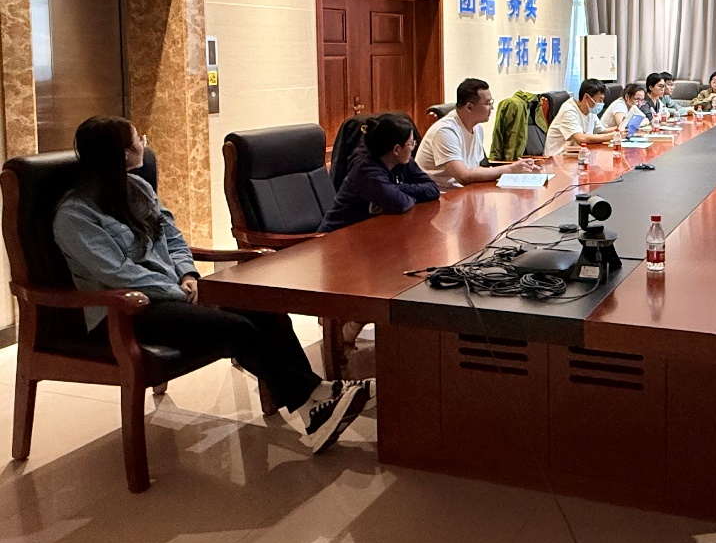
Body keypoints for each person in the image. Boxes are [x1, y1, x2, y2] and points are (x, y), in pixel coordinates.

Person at [52, 117, 373, 454]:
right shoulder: (74, 217)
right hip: (126, 312)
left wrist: (188, 275)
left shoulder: (138, 189)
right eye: (138, 139)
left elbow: (173, 237)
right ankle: (315, 400)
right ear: (122, 153)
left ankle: (316, 401)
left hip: (172, 293)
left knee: (264, 309)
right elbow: (119, 273)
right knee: (235, 328)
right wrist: (178, 292)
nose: (145, 143)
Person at [319, 113, 440, 232]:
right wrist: (406, 193)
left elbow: (433, 189)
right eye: (411, 143)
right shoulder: (366, 170)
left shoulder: (404, 162)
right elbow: (401, 203)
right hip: (336, 235)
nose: (413, 147)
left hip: (368, 231)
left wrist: (396, 188)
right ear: (397, 149)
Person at [417, 78, 538, 191]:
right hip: (441, 197)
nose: (492, 108)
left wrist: (517, 171)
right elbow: (463, 176)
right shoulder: (445, 131)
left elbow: (475, 169)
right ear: (469, 107)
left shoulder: (477, 128)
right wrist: (510, 169)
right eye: (488, 103)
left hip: (465, 192)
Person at [544, 78, 615, 155]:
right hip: (557, 158)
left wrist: (619, 131)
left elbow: (602, 131)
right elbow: (580, 138)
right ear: (586, 97)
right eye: (600, 100)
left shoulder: (590, 111)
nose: (602, 103)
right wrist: (611, 136)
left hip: (577, 155)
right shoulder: (568, 110)